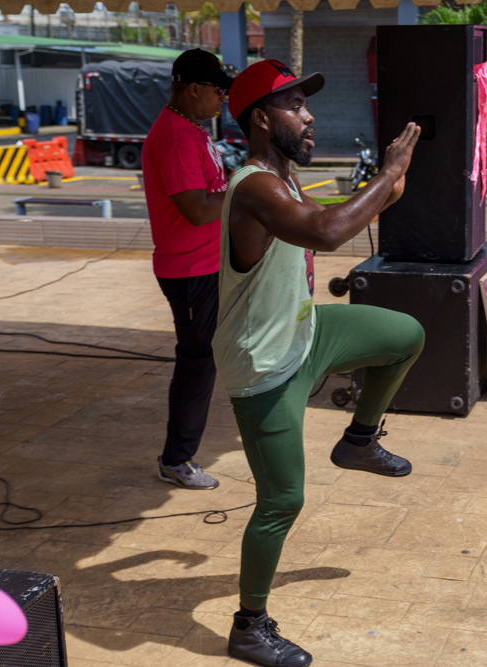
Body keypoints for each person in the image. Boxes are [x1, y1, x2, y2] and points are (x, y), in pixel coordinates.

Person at [216, 59, 423, 667]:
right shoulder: (255, 184)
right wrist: (385, 175)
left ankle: (358, 441)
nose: (309, 117)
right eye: (295, 107)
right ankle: (249, 626)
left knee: (405, 334)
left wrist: (386, 188)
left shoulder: (281, 177)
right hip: (265, 363)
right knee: (282, 500)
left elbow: (333, 217)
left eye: (307, 104)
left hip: (306, 334)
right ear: (261, 118)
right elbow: (328, 232)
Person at [142, 49, 233, 490]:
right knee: (197, 363)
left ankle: (179, 455)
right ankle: (176, 460)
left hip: (208, 265)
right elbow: (197, 209)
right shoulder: (176, 137)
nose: (224, 101)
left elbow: (211, 187)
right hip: (191, 271)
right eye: (219, 92)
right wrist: (247, 193)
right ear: (193, 89)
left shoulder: (191, 129)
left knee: (208, 358)